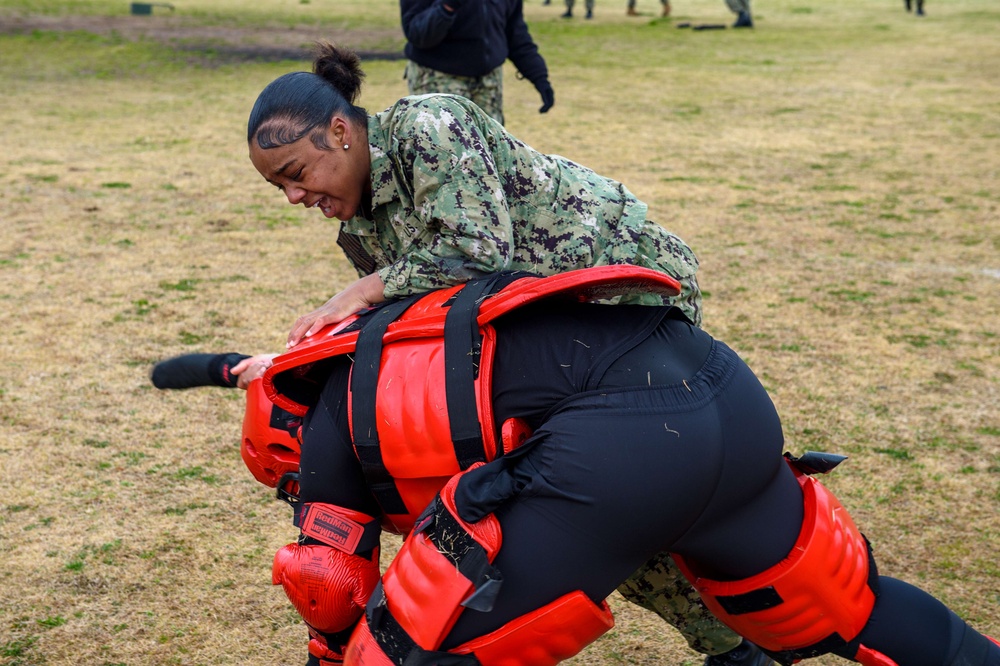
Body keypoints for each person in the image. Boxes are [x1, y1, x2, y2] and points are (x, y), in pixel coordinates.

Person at [153, 267, 1000, 666]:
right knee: (843, 608)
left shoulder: (329, 425)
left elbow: (327, 588)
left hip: (626, 449)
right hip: (721, 391)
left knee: (410, 651)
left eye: (290, 482)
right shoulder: (380, 351)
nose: (301, 494)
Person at [245, 43, 775, 665]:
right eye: (277, 184)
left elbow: (476, 252)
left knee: (611, 499)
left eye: (296, 173)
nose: (292, 197)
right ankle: (743, 645)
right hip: (540, 342)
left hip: (622, 299)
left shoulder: (429, 125)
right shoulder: (361, 225)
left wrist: (362, 290)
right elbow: (418, 320)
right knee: (587, 504)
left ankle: (761, 627)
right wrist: (300, 366)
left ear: (339, 132)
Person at [400, 0, 554, 125]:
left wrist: (539, 77)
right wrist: (447, 7)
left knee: (491, 153)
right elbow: (417, 35)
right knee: (443, 155)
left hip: (488, 83)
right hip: (438, 79)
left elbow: (515, 34)